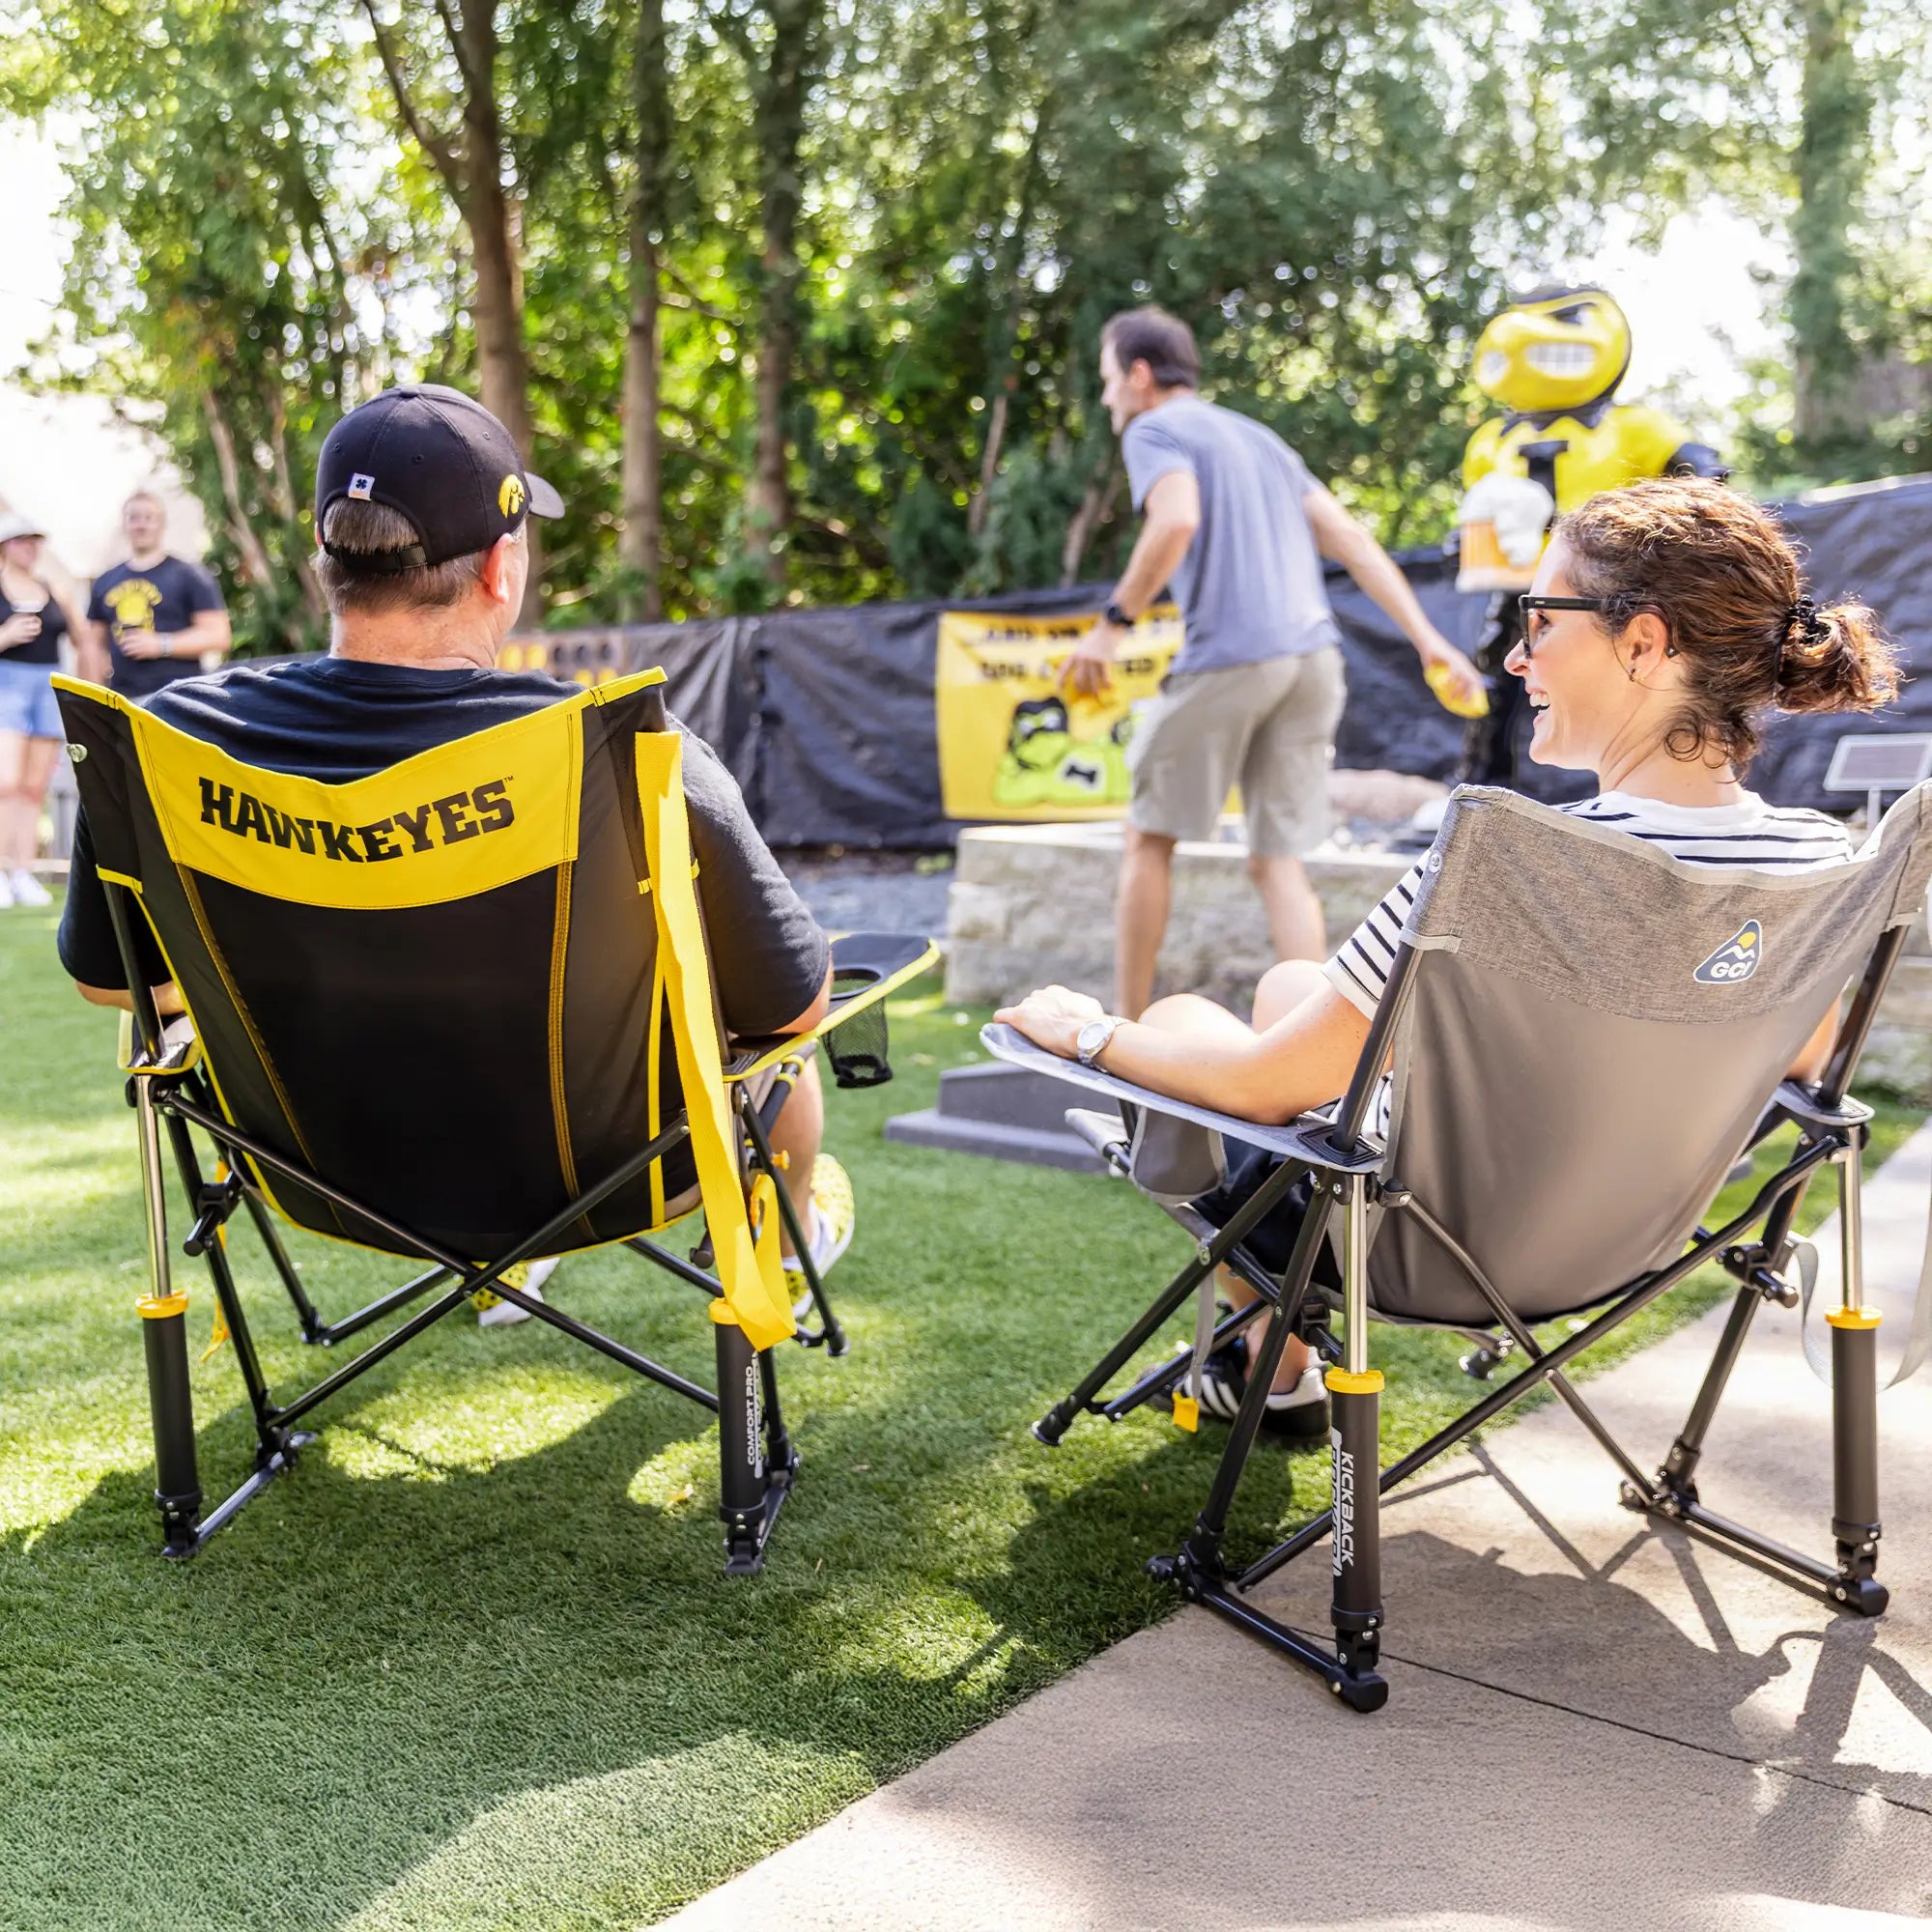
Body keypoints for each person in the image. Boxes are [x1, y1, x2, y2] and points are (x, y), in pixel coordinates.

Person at [1001, 478, 1897, 1440]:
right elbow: (1804, 1059)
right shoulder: (1814, 863)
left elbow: (1263, 1087)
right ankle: (1275, 1362)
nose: (1515, 656)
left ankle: (1273, 1354)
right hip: (1628, 1241)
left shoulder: (1511, 862)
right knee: (1291, 986)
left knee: (1179, 1024)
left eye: (1539, 620)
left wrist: (1088, 1032)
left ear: (1641, 642)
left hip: (1418, 1246)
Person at [57, 384, 854, 1323]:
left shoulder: (171, 741)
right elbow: (793, 1005)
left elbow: (116, 985)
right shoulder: (615, 750)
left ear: (325, 568)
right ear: (499, 571)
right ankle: (789, 1228)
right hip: (601, 1174)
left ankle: (502, 1266)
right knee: (771, 1041)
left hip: (316, 1170)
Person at [1062, 305, 1484, 1021]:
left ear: (1138, 376)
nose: (1107, 399)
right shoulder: (1261, 439)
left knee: (1147, 841)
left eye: (1107, 381)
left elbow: (1175, 519)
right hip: (1313, 662)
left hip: (1231, 658)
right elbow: (1350, 537)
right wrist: (1428, 640)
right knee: (1277, 858)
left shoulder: (1154, 428)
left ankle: (1124, 1027)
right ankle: (1305, 1035)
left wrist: (1109, 628)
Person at [0, 511, 88, 908]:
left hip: (47, 685)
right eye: (22, 540)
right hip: (7, 685)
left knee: (34, 787)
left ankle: (21, 872)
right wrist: (6, 635)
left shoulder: (52, 587)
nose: (30, 547)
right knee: (5, 783)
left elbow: (83, 637)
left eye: (35, 540)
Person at [81, 492, 231, 699]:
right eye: (133, 518)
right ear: (124, 525)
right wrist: (94, 701)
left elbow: (219, 636)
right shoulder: (105, 581)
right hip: (124, 700)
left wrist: (162, 645)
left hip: (181, 699)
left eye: (149, 518)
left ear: (162, 524)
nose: (141, 525)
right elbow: (92, 645)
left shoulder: (190, 575)